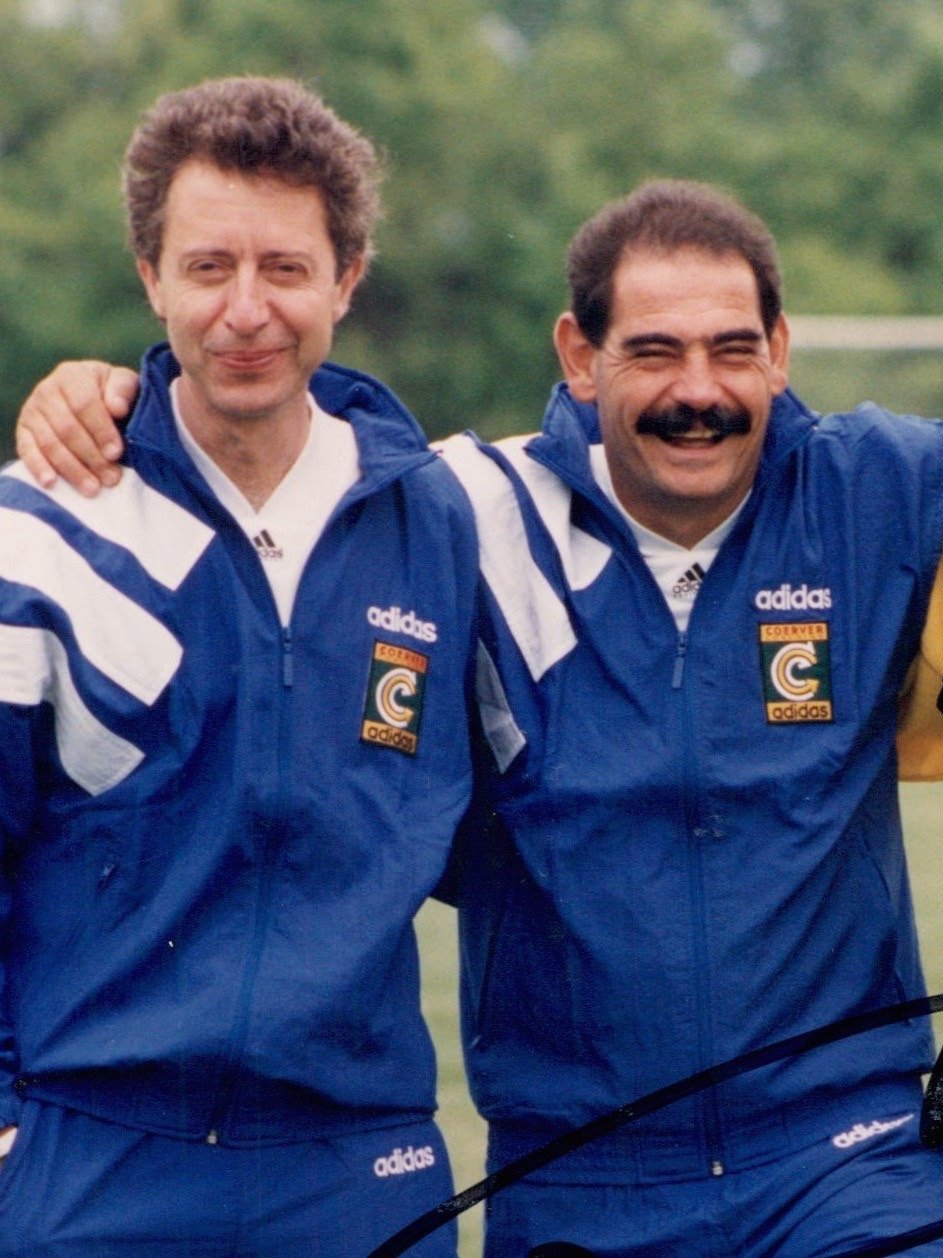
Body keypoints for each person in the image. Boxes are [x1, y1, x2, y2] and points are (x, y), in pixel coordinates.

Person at [16, 181, 943, 1257]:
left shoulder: (878, 489)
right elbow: (283, 455)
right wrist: (108, 397)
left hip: (842, 1154)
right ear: (578, 355)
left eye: (732, 350)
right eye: (652, 352)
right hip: (578, 1171)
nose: (699, 391)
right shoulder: (459, 512)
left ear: (779, 352)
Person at [0, 75, 479, 1257]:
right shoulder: (41, 529)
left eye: (285, 268)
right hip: (91, 1164)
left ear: (346, 280)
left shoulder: (447, 520)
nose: (246, 311)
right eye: (208, 268)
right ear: (150, 278)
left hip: (359, 1167)